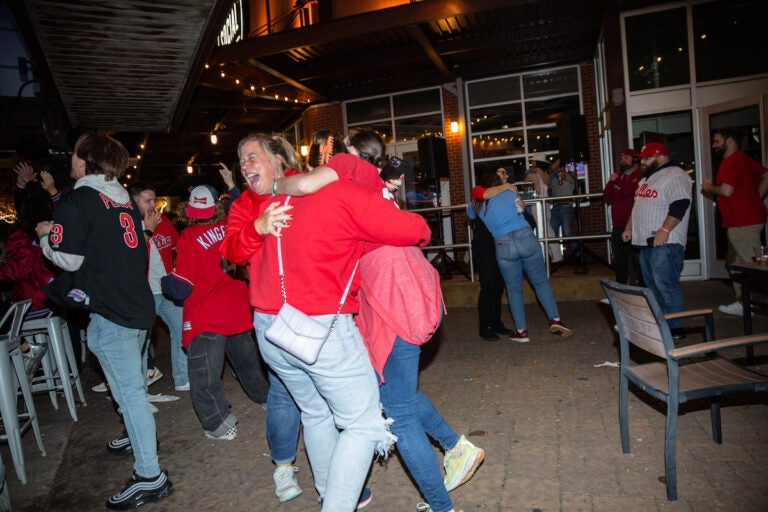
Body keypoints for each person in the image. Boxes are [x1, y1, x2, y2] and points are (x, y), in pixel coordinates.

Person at [277, 129, 484, 512]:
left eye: (346, 155)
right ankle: (456, 447)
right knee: (395, 396)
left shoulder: (350, 175)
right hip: (401, 297)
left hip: (396, 304)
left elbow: (306, 184)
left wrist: (273, 184)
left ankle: (441, 504)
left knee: (398, 412)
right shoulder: (370, 187)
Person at [228, 132, 431, 511]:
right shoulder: (344, 194)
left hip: (271, 331)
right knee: (364, 423)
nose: (245, 166)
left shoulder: (268, 200)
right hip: (321, 330)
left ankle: (330, 491)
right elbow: (416, 231)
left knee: (316, 411)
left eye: (251, 156)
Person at [36, 132, 173, 510]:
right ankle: (136, 433)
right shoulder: (123, 199)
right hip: (137, 305)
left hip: (113, 311)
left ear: (86, 160)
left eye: (75, 154)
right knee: (130, 390)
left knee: (131, 395)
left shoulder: (78, 200)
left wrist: (46, 237)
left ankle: (150, 476)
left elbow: (69, 259)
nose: (70, 159)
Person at [161, 185, 269, 440]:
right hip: (238, 310)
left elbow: (181, 288)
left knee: (203, 375)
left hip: (206, 316)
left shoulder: (188, 236)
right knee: (250, 364)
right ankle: (268, 399)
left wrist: (164, 281)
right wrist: (232, 187)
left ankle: (218, 423)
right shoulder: (232, 225)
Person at [467, 170, 574, 342]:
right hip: (525, 237)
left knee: (513, 288)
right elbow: (520, 211)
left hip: (503, 244)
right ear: (497, 181)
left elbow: (470, 213)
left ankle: (521, 331)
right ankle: (555, 319)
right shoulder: (510, 192)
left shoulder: (476, 205)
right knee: (540, 281)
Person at [622, 142, 692, 339]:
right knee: (652, 286)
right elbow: (638, 206)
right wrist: (629, 228)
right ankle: (662, 326)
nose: (642, 162)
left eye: (646, 158)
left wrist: (664, 229)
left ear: (660, 156)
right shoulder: (647, 178)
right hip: (645, 242)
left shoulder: (675, 175)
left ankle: (675, 328)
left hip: (665, 243)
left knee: (665, 285)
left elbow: (680, 204)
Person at [701, 129, 768, 316]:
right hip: (747, 220)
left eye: (716, 141)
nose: (714, 145)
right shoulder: (743, 158)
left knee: (754, 266)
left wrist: (708, 187)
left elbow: (726, 191)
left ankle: (746, 303)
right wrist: (757, 198)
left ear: (729, 140)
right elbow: (766, 175)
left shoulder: (730, 161)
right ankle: (743, 302)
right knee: (736, 262)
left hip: (742, 223)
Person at [130, 183, 189, 392]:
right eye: (147, 201)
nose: (152, 205)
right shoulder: (128, 225)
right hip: (143, 292)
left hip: (165, 290)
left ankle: (182, 378)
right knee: (141, 341)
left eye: (153, 200)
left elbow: (179, 245)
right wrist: (148, 229)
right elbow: (130, 257)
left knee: (181, 330)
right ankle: (139, 389)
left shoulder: (162, 220)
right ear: (134, 201)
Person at [470, 167, 515, 342]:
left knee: (498, 286)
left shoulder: (495, 199)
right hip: (484, 250)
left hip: (498, 247)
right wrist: (507, 187)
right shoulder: (479, 201)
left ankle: (496, 322)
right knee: (488, 287)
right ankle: (485, 325)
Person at [602, 148, 643, 289]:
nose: (622, 159)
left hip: (635, 225)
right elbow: (607, 196)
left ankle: (643, 289)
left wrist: (618, 183)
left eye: (626, 157)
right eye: (622, 156)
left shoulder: (640, 175)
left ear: (635, 159)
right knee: (619, 261)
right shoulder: (619, 177)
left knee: (638, 260)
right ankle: (621, 289)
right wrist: (616, 183)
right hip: (618, 225)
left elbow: (631, 190)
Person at [525, 155, 561, 262]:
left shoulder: (534, 174)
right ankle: (554, 254)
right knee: (547, 228)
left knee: (546, 229)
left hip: (539, 203)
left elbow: (528, 184)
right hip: (545, 203)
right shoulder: (547, 174)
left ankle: (555, 255)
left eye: (533, 161)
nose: (532, 163)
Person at [549, 158, 578, 257]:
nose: (557, 170)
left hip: (566, 205)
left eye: (558, 168)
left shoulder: (569, 176)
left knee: (567, 230)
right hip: (556, 206)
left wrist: (564, 175)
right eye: (555, 169)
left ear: (562, 168)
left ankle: (577, 255)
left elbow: (574, 180)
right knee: (552, 230)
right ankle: (555, 256)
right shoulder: (553, 179)